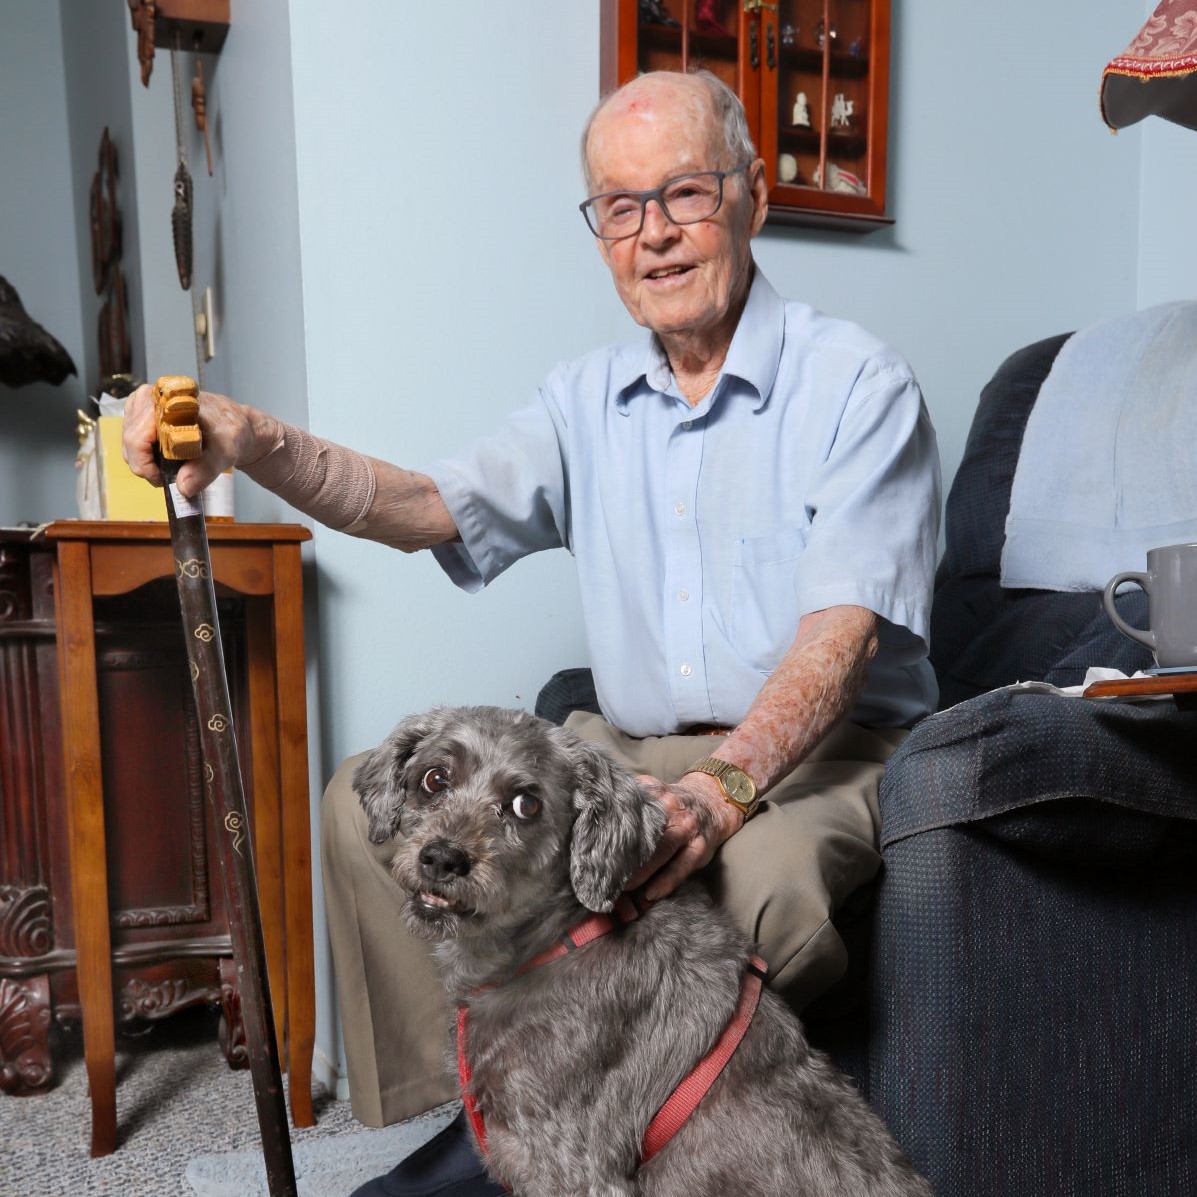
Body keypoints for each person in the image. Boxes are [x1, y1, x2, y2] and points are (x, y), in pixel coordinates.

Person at [123, 69, 940, 1197]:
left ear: (751, 197)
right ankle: (472, 1131)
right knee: (361, 800)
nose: (653, 234)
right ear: (599, 230)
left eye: (686, 194)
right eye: (619, 207)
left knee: (756, 883)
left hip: (825, 753)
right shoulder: (583, 399)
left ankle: (622, 1141)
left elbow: (840, 639)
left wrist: (717, 794)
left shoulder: (857, 384)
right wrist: (252, 439)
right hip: (625, 736)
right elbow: (425, 509)